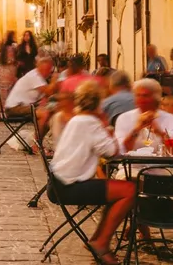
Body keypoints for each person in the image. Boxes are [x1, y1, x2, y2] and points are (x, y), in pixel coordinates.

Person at [49, 80, 134, 265]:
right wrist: (106, 125)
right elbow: (111, 152)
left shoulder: (77, 120)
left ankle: (97, 240)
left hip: (59, 183)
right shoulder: (89, 122)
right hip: (70, 185)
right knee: (129, 190)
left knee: (118, 191)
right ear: (98, 103)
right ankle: (101, 242)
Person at [115, 78, 173, 156]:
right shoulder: (124, 118)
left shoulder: (171, 119)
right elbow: (121, 151)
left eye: (145, 96)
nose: (141, 99)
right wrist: (136, 129)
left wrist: (160, 133)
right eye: (138, 95)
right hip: (131, 167)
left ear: (156, 98)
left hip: (162, 167)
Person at [0, 31, 18, 120]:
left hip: (2, 71)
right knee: (9, 91)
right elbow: (11, 59)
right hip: (9, 71)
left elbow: (1, 59)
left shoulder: (3, 47)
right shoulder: (11, 47)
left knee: (1, 92)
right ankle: (8, 112)